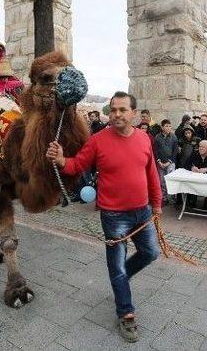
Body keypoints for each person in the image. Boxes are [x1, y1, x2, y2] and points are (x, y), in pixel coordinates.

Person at [46, 91, 161, 343]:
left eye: (122, 109)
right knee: (116, 265)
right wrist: (61, 159)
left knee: (151, 253)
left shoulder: (144, 138)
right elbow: (77, 165)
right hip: (113, 215)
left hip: (142, 211)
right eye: (113, 109)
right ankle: (126, 313)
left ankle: (121, 277)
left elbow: (151, 172)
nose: (116, 114)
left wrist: (157, 203)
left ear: (133, 113)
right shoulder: (98, 140)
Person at [187, 140, 207, 210]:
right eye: (199, 146)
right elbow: (186, 164)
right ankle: (192, 204)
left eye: (203, 147)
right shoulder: (195, 153)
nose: (200, 148)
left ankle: (206, 206)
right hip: (196, 178)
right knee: (191, 184)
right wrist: (192, 167)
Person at [153, 119, 178, 205]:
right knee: (162, 181)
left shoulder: (174, 137)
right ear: (162, 127)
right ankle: (164, 198)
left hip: (170, 163)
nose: (168, 128)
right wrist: (159, 161)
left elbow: (175, 151)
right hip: (160, 163)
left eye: (169, 126)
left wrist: (169, 162)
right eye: (166, 126)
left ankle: (174, 198)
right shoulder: (157, 137)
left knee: (171, 180)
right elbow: (155, 151)